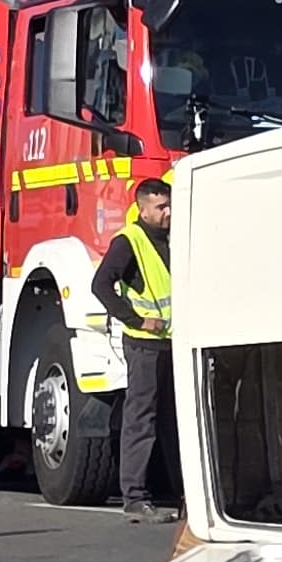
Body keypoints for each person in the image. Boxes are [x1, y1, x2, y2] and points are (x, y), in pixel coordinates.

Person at [92, 177, 178, 520]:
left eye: (169, 204)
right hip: (144, 345)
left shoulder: (174, 237)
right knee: (141, 419)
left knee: (173, 422)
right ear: (142, 209)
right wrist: (138, 320)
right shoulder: (130, 241)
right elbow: (101, 285)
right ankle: (135, 498)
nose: (168, 212)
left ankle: (185, 495)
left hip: (172, 342)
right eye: (160, 207)